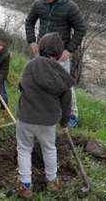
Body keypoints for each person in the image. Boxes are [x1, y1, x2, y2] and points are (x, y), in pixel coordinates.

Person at [15, 33, 74, 199]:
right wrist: (64, 122)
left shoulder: (31, 66)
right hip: (48, 122)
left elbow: (22, 86)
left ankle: (26, 185)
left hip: (25, 117)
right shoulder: (62, 75)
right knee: (49, 148)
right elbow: (66, 102)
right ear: (59, 53)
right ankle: (52, 181)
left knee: (24, 149)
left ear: (40, 48)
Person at [25, 0, 86, 127]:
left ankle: (72, 116)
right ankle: (43, 110)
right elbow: (29, 22)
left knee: (65, 85)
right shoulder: (38, 5)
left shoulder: (70, 7)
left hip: (61, 54)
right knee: (39, 81)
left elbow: (81, 29)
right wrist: (32, 41)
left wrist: (69, 49)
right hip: (42, 51)